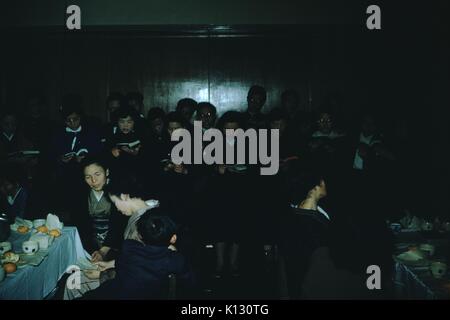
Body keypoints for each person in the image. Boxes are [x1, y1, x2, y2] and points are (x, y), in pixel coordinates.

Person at [279, 170, 331, 299]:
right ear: (314, 188)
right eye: (323, 182)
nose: (326, 184)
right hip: (308, 279)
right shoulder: (310, 222)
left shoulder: (300, 210)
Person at [71, 156, 129, 259]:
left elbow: (119, 224)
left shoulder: (120, 190)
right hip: (91, 242)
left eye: (97, 174)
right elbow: (82, 224)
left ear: (106, 172)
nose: (94, 181)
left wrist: (103, 250)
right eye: (88, 177)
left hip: (116, 242)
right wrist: (93, 250)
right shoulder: (81, 194)